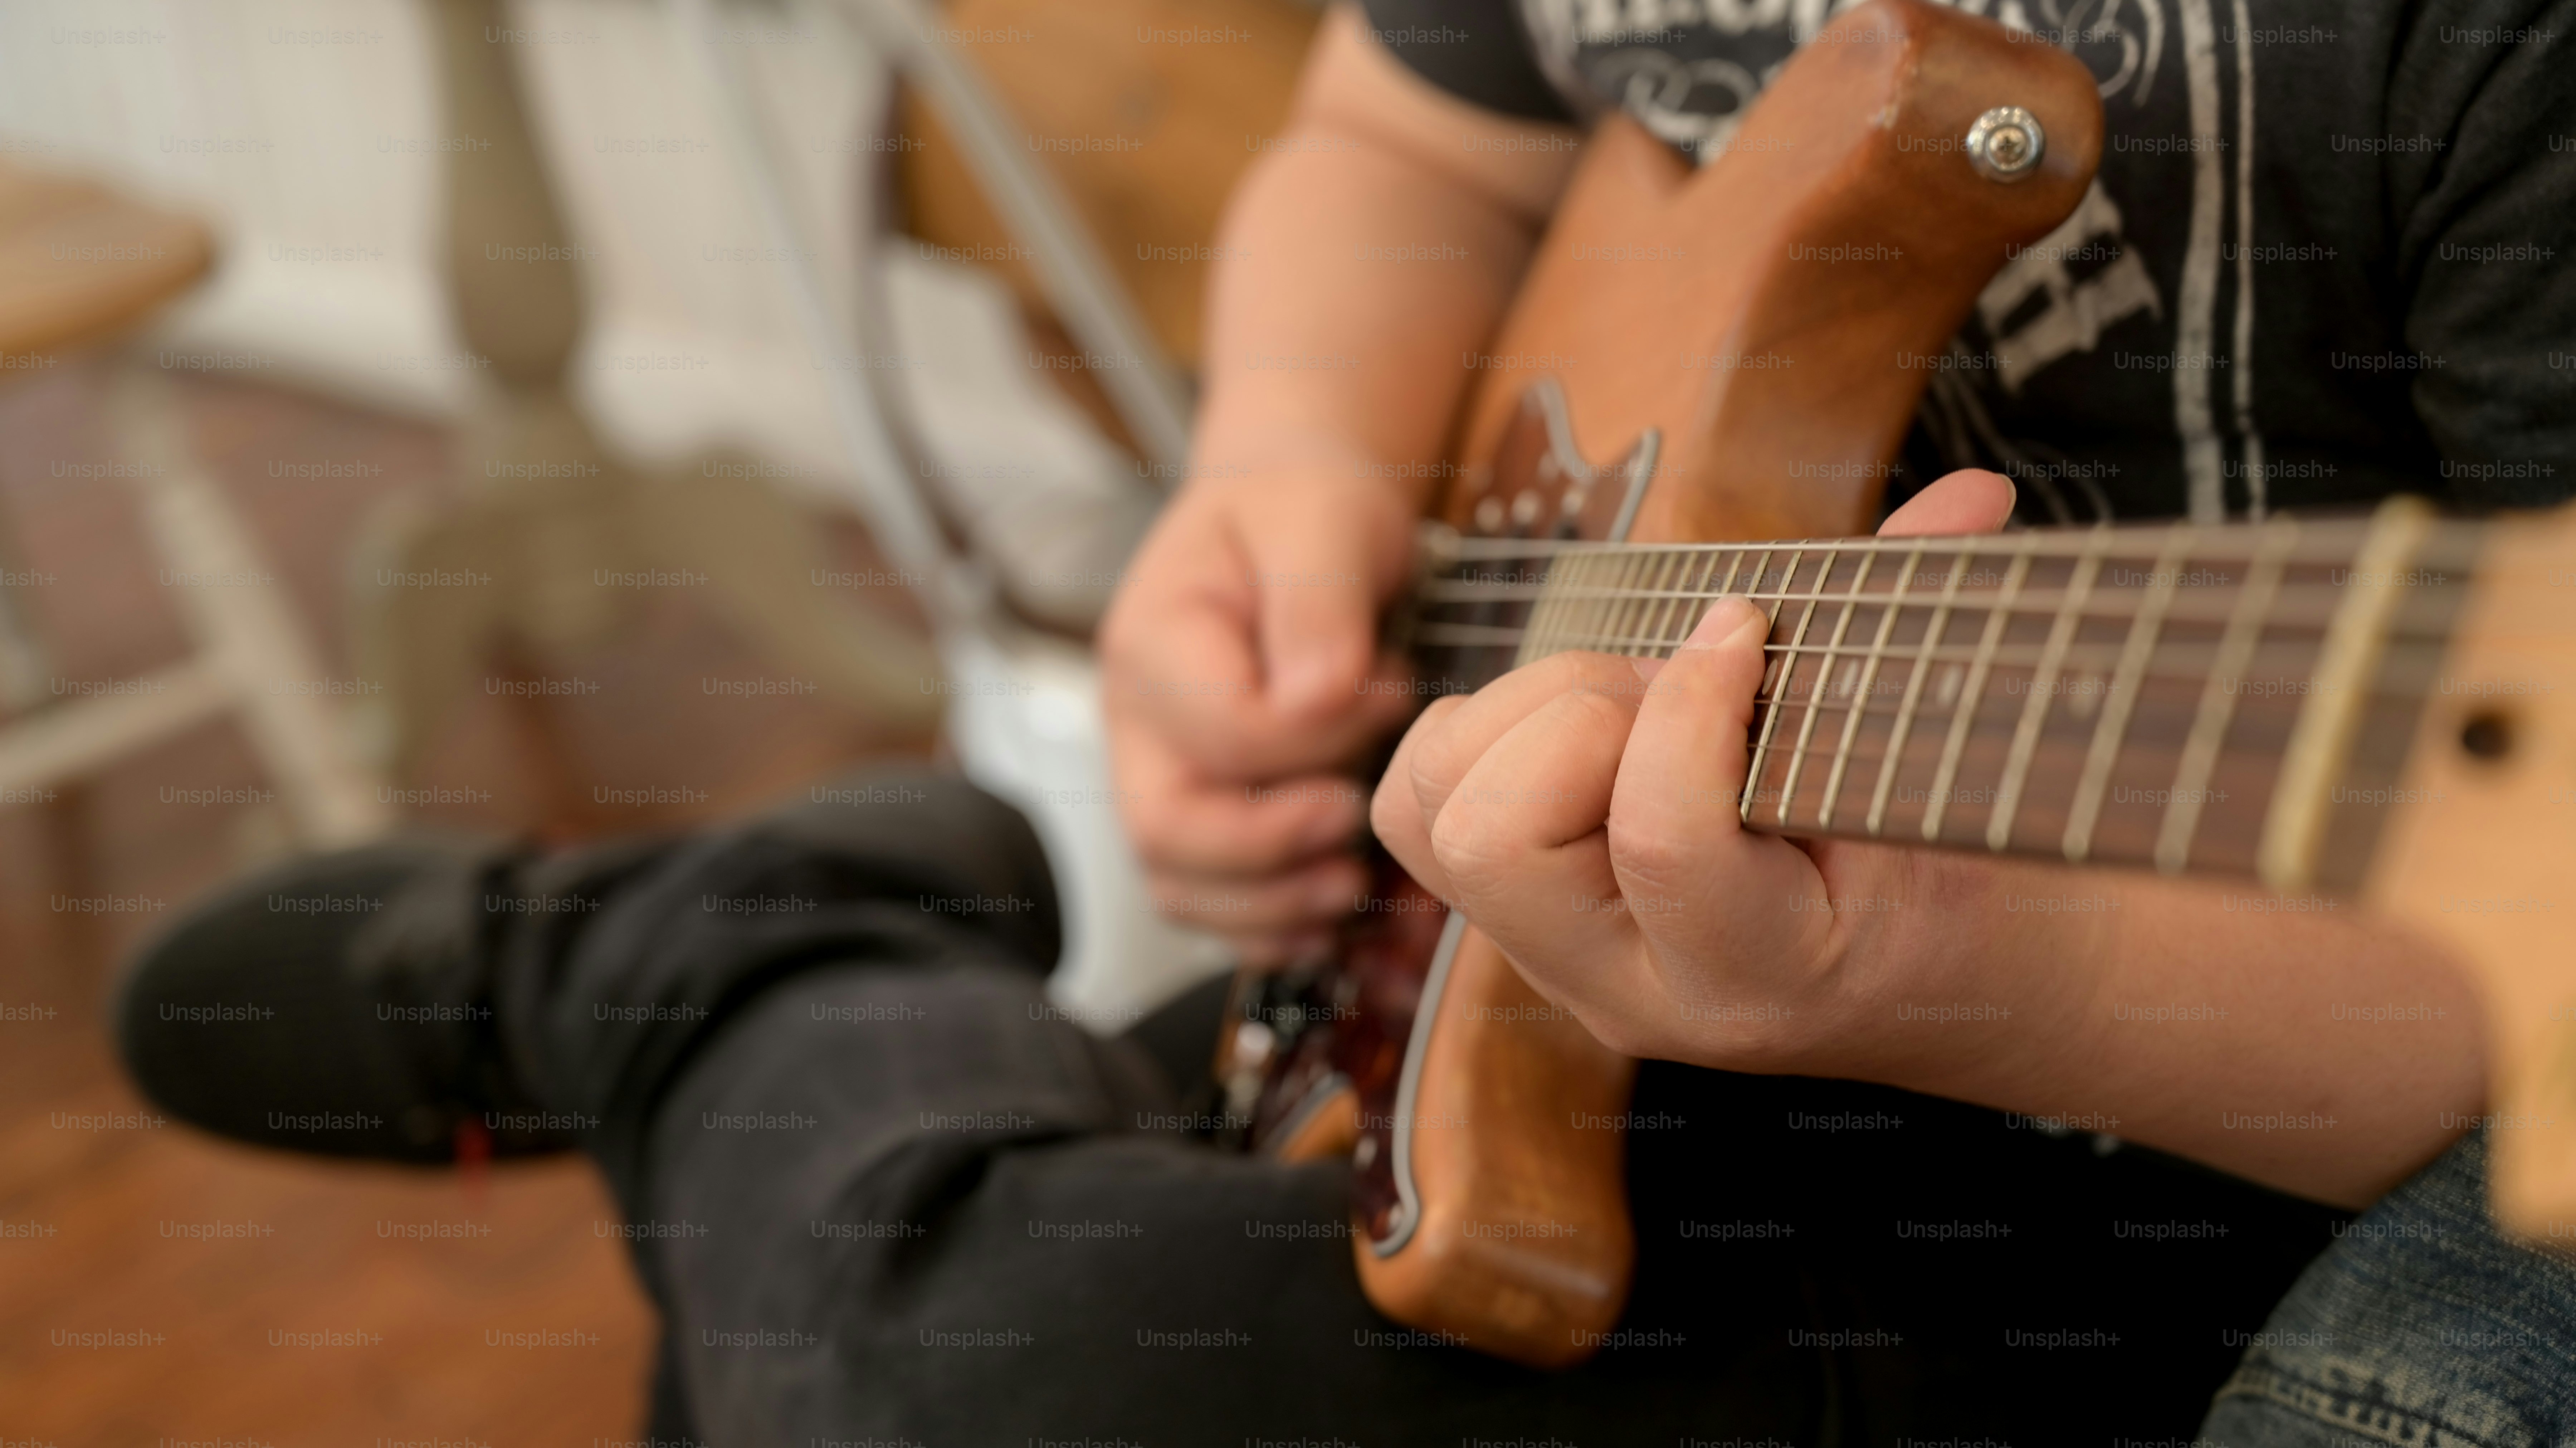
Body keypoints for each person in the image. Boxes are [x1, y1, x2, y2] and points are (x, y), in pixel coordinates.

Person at [114, 4, 2575, 1444]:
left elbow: (2512, 980)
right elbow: (1395, 146)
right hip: (1552, 924)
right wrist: (1281, 470)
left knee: (944, 1370)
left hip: (2176, 1127)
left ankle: (710, 966)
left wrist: (1936, 973)